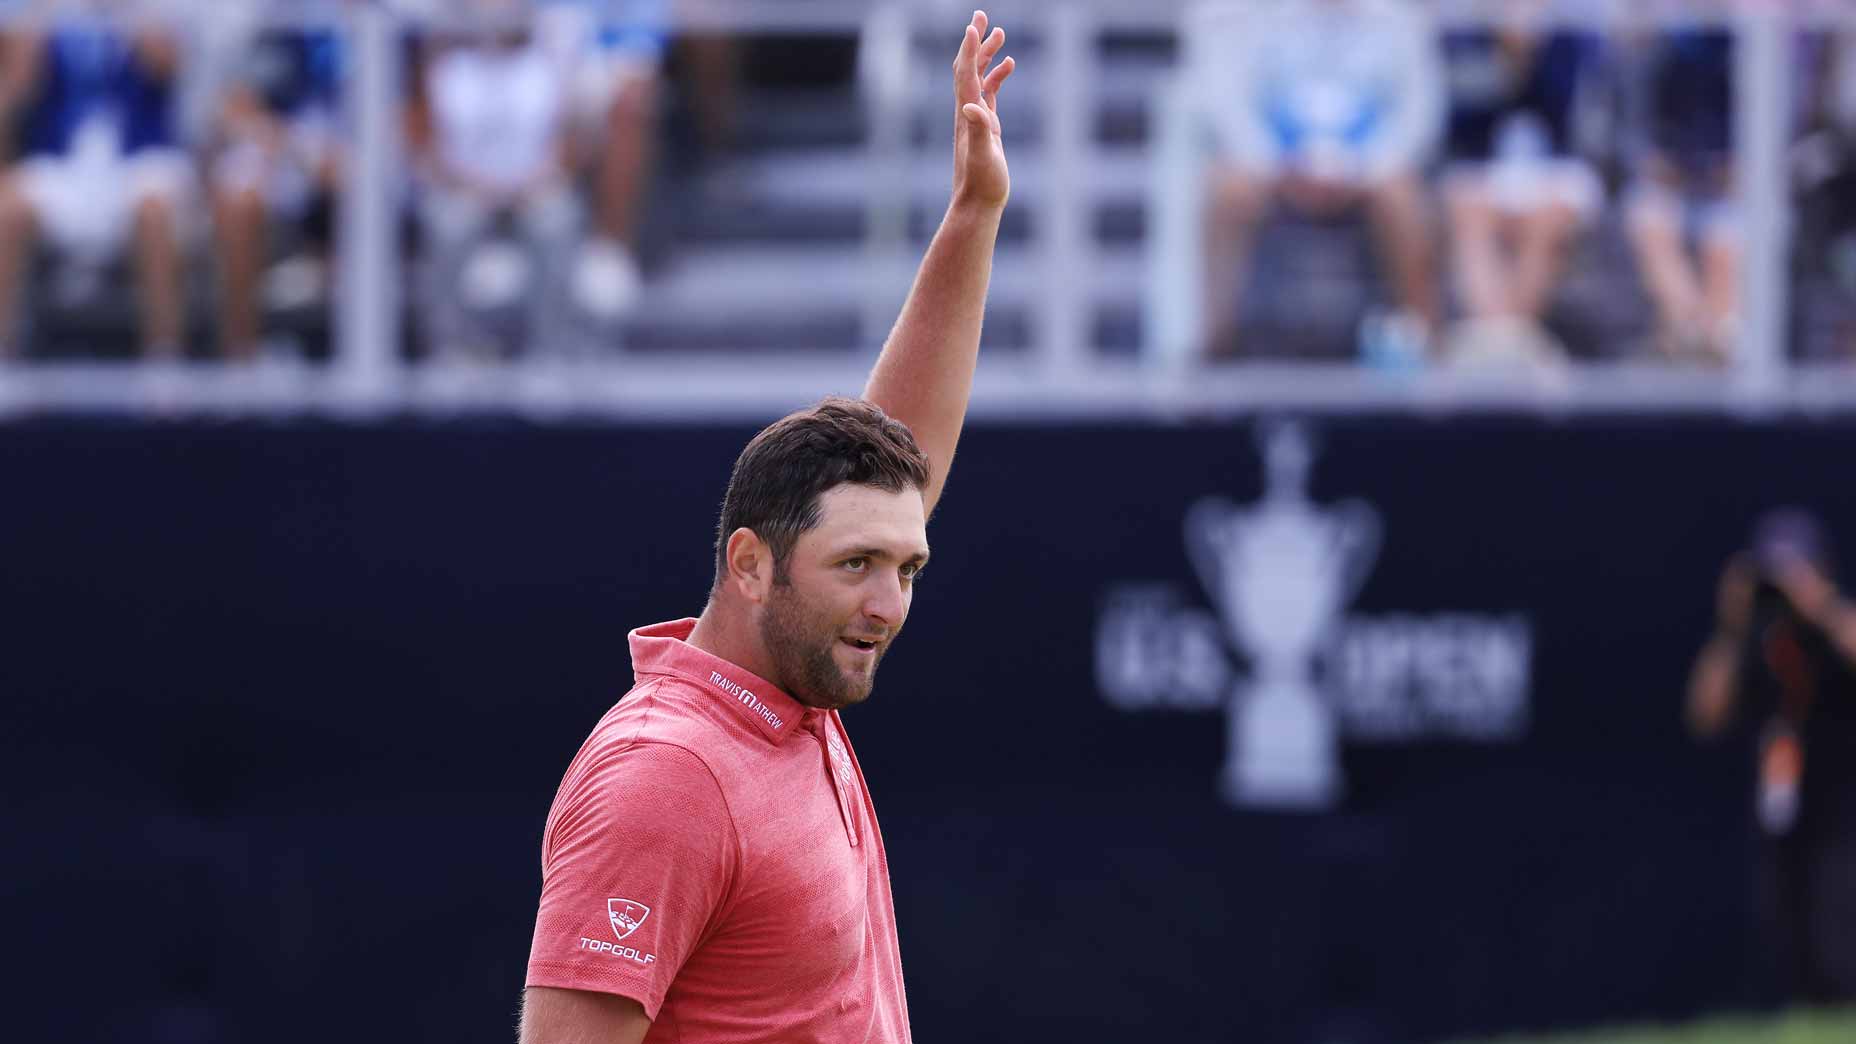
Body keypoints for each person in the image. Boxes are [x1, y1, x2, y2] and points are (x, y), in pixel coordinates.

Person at [518, 12, 1014, 1042]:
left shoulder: (787, 692)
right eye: (856, 565)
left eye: (907, 568)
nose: (887, 605)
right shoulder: (668, 778)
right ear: (750, 564)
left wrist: (973, 215)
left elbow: (896, 464)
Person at [1190, 0, 1443, 361]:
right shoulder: (1255, 16)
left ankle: (1423, 341)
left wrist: (1362, 168)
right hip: (1276, 167)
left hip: (1369, 171)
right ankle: (1217, 343)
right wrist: (1278, 165)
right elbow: (1231, 103)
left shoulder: (1398, 19)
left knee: (1403, 198)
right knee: (1228, 190)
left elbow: (1418, 114)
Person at [1688, 509, 1856, 1003]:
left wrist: (1820, 607)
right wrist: (1731, 627)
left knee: (1841, 941)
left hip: (1844, 815)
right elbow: (1704, 714)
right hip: (1781, 818)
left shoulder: (1834, 627)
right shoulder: (1757, 640)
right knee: (1789, 948)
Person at [0, 3, 191, 360]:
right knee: (8, 206)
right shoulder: (48, 13)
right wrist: (41, 22)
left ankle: (164, 352)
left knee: (154, 209)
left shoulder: (151, 10)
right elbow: (20, 89)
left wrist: (130, 16)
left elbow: (167, 66)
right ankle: (4, 351)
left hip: (137, 156)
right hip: (65, 158)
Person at [1438, 8, 1602, 364]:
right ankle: (1504, 340)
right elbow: (1462, 117)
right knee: (1467, 209)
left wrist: (1534, 54)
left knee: (1546, 219)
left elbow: (1571, 116)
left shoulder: (1572, 33)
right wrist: (1506, 60)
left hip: (1557, 165)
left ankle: (1499, 343)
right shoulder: (1468, 32)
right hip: (1485, 163)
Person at [1625, 27, 1737, 365]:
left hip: (1736, 189)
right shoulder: (1667, 39)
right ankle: (1696, 335)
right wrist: (1659, 161)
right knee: (1649, 216)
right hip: (1672, 181)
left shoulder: (1752, 39)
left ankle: (1714, 346)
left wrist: (1740, 169)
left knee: (1727, 238)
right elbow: (1639, 130)